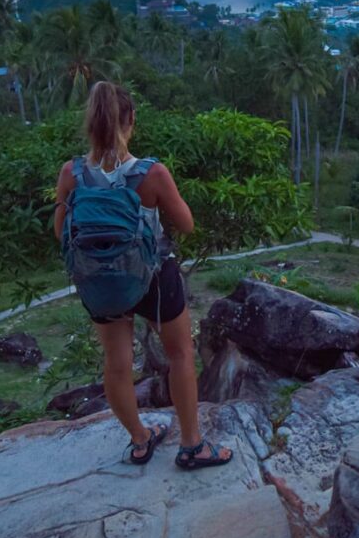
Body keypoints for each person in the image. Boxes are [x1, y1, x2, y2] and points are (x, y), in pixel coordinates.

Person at [53, 80, 232, 469]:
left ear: (90, 125)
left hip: (99, 284)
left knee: (116, 364)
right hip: (152, 277)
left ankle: (139, 441)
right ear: (131, 121)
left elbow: (60, 231)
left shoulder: (72, 173)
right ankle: (191, 445)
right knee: (181, 354)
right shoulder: (151, 173)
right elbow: (186, 225)